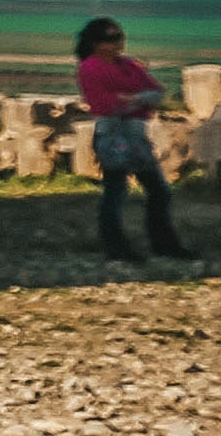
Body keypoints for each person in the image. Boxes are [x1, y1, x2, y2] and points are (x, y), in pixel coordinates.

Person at [76, 16, 188, 263]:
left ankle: (163, 242)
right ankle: (116, 246)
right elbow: (103, 104)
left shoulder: (129, 65)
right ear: (96, 43)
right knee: (116, 191)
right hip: (112, 133)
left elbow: (155, 91)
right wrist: (136, 99)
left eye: (119, 37)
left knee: (158, 190)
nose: (118, 43)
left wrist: (131, 99)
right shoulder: (91, 68)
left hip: (136, 133)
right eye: (111, 38)